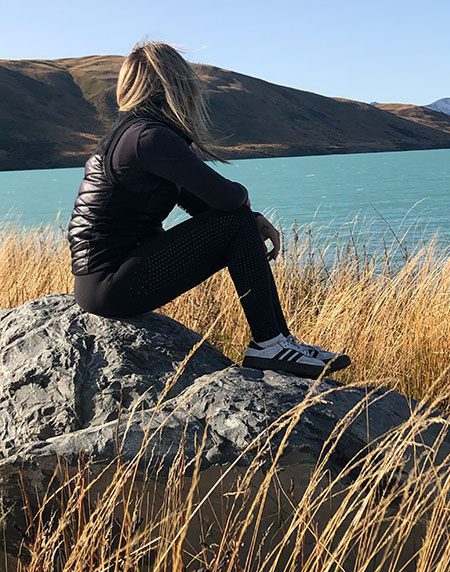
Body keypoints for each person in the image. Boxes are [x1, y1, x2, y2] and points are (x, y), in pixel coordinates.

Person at [66, 39, 351, 380]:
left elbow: (198, 201)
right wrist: (244, 206)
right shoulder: (149, 138)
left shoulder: (137, 133)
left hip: (108, 281)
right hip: (110, 286)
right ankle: (270, 344)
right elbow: (227, 199)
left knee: (237, 222)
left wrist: (253, 220)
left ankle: (278, 340)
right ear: (173, 85)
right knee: (235, 221)